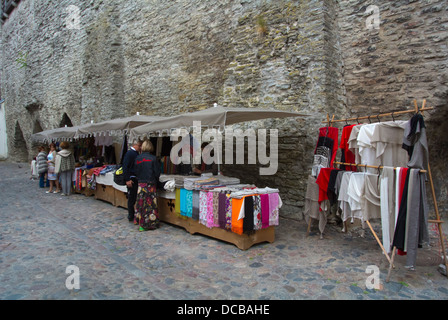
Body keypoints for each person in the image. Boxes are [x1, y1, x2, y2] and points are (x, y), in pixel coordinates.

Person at [134, 140, 161, 231]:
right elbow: (157, 173)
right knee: (150, 205)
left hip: (141, 184)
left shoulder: (138, 158)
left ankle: (139, 220)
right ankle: (149, 223)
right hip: (150, 184)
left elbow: (136, 171)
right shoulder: (153, 158)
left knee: (141, 203)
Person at [122, 139, 142, 222]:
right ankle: (131, 215)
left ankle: (133, 214)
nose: (140, 148)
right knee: (132, 198)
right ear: (135, 145)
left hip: (135, 178)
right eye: (139, 146)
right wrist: (127, 179)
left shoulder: (135, 153)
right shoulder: (130, 153)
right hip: (132, 178)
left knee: (134, 197)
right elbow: (125, 166)